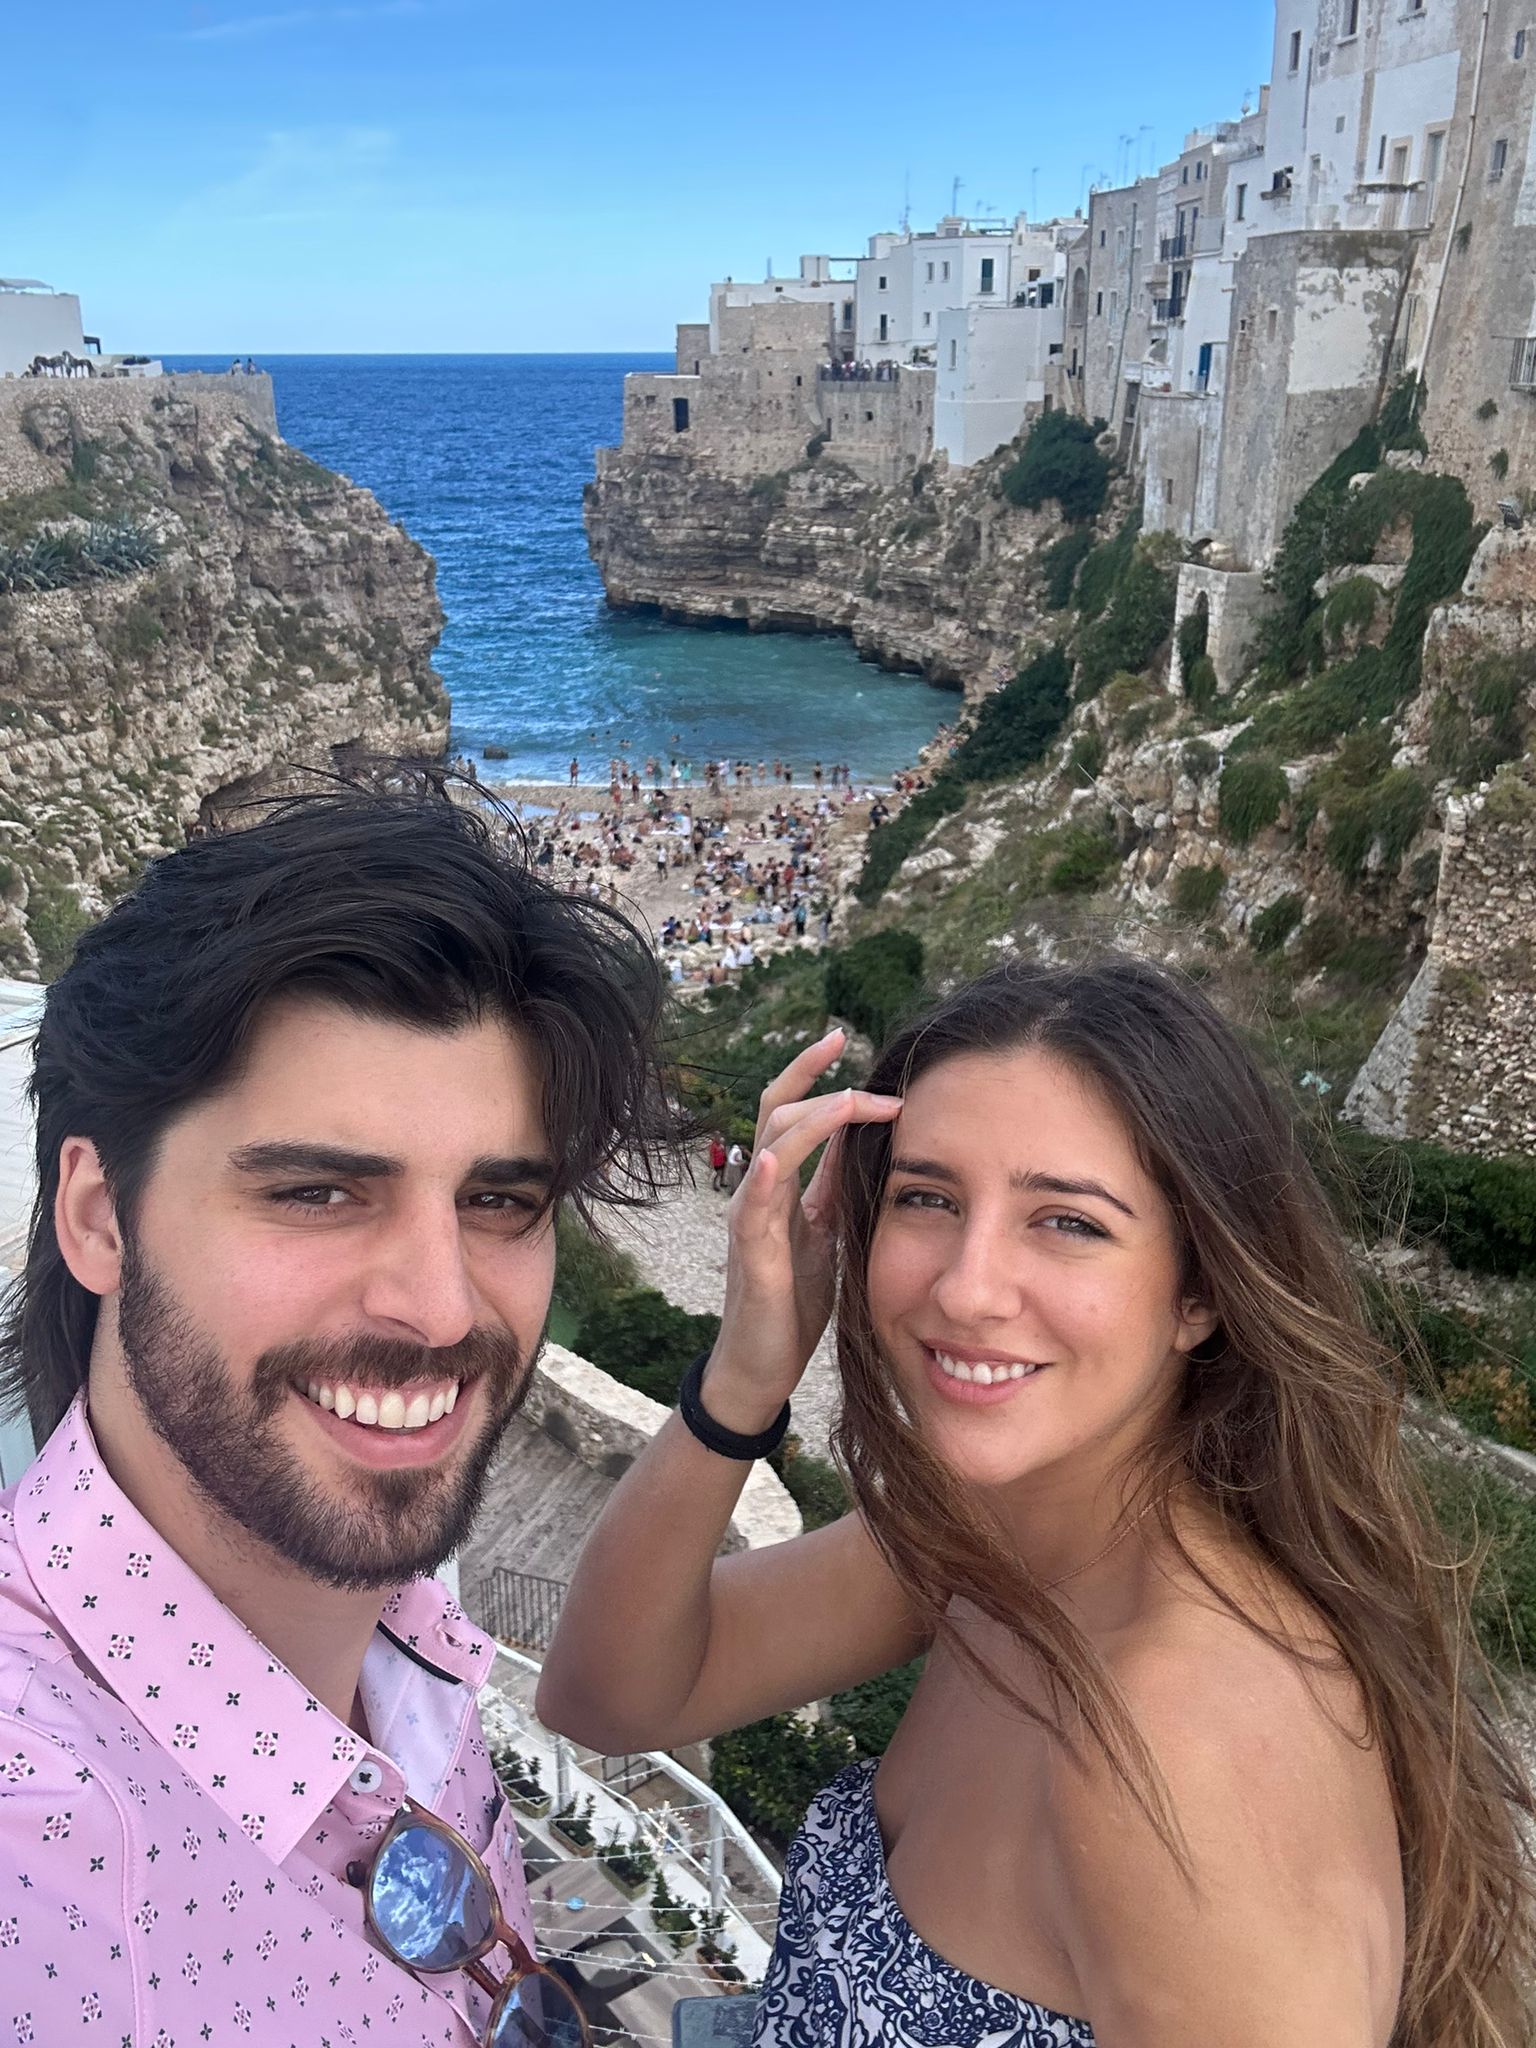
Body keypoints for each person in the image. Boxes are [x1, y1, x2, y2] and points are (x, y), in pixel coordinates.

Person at [537, 956, 1536, 2048]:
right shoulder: (995, 1541)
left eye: (1067, 1221)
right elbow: (607, 1694)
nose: (967, 1286)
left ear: (1198, 1292)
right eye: (928, 1197)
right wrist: (743, 1378)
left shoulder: (1181, 1744)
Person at [0, 788, 686, 2044]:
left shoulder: (402, 1648)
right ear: (99, 1216)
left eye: (497, 1201)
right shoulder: (43, 1851)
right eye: (318, 1191)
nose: (438, 1305)